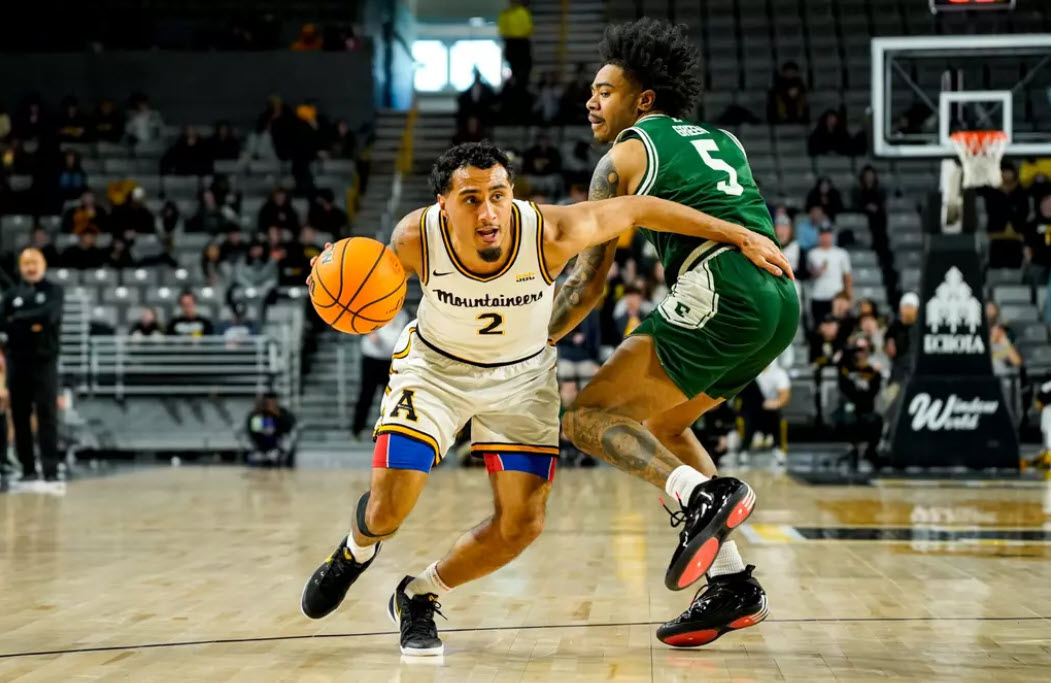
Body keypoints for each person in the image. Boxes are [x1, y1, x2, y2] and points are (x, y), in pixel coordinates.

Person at [299, 141, 789, 656]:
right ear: (443, 204)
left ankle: (418, 594)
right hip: (436, 373)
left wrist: (738, 233)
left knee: (522, 525)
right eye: (471, 199)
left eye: (498, 195)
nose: (488, 212)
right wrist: (327, 275)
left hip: (522, 381)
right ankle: (354, 553)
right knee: (387, 511)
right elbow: (357, 272)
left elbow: (638, 208)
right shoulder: (416, 237)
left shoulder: (550, 231)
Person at [546, 20, 797, 647]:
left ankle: (702, 497)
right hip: (777, 299)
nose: (590, 101)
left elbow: (587, 286)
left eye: (605, 91)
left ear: (644, 100)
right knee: (662, 426)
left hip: (722, 288)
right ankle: (732, 582)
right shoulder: (725, 140)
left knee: (587, 418)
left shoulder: (623, 157)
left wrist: (526, 341)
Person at [0, 248, 64, 491]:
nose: (31, 267)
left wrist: (18, 319)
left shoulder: (54, 291)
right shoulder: (12, 294)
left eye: (35, 262)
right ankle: (28, 470)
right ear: (20, 267)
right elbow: (3, 321)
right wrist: (30, 322)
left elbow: (49, 316)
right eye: (26, 263)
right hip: (17, 361)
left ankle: (51, 471)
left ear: (43, 265)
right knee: (19, 415)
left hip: (44, 361)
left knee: (47, 415)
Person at [353, 310, 409, 439]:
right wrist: (370, 333)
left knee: (389, 398)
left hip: (391, 361)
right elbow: (365, 326)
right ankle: (357, 429)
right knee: (367, 394)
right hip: (372, 358)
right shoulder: (375, 310)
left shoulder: (403, 315)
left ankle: (387, 429)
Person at [836, 336, 883, 467]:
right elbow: (844, 387)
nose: (860, 352)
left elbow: (873, 392)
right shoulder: (846, 368)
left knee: (875, 419)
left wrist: (874, 373)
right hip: (850, 407)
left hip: (867, 408)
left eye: (863, 349)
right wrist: (849, 350)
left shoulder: (873, 371)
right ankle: (853, 450)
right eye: (857, 349)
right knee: (849, 415)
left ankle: (870, 451)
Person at [739, 363, 790, 465]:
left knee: (775, 414)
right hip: (751, 408)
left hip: (769, 408)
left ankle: (777, 448)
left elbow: (785, 395)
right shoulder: (749, 371)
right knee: (750, 416)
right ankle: (744, 449)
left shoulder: (779, 373)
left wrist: (775, 403)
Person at [807, 226, 852, 323]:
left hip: (836, 297)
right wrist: (818, 271)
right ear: (819, 236)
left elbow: (847, 277)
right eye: (823, 234)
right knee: (819, 325)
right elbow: (808, 275)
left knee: (837, 324)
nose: (825, 237)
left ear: (832, 236)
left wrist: (848, 297)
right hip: (818, 296)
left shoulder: (841, 253)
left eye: (828, 234)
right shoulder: (812, 253)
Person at [245, 393, 297, 466]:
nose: (271, 405)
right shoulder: (258, 414)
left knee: (286, 450)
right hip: (262, 445)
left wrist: (278, 415)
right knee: (256, 457)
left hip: (279, 443)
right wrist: (259, 413)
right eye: (269, 403)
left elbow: (288, 427)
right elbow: (254, 431)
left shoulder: (282, 412)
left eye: (273, 402)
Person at [498, 0, 533, 86]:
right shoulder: (504, 14)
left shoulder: (522, 12)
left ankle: (522, 81)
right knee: (514, 66)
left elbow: (528, 28)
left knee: (524, 66)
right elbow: (502, 30)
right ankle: (515, 81)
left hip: (521, 42)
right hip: (512, 42)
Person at [885, 292, 919, 382]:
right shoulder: (893, 328)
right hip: (898, 369)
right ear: (900, 308)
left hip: (916, 368)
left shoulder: (920, 328)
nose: (908, 310)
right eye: (906, 306)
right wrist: (889, 343)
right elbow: (889, 350)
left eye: (911, 307)